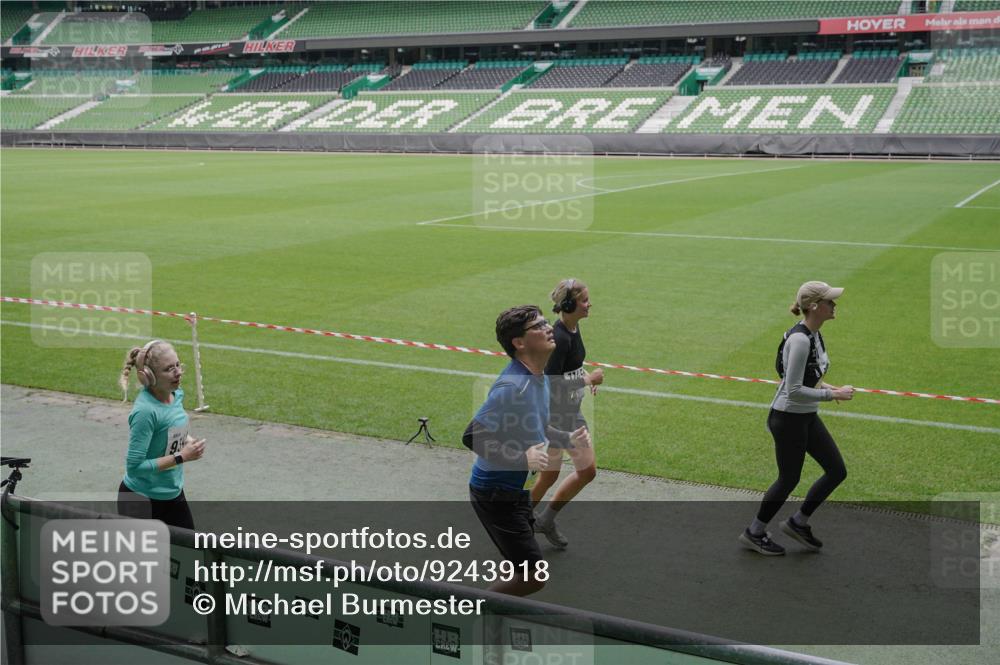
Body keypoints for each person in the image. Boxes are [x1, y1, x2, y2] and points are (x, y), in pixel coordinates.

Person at [464, 305, 590, 596]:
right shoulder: (513, 385)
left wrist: (566, 438)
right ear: (519, 343)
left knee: (521, 566)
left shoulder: (538, 377)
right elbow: (472, 435)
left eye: (546, 322)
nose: (548, 328)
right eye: (538, 326)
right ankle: (473, 612)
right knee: (534, 577)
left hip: (512, 492)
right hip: (494, 496)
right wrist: (522, 458)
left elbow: (538, 421)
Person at [740, 282, 853, 556]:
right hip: (788, 419)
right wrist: (831, 395)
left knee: (837, 470)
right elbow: (792, 389)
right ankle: (754, 533)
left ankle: (798, 522)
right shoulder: (800, 340)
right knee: (789, 479)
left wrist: (829, 388)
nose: (834, 305)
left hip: (805, 416)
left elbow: (809, 378)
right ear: (814, 306)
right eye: (830, 301)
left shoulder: (815, 335)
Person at [531, 279, 604, 549]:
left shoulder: (573, 329)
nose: (589, 303)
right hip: (556, 417)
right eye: (584, 300)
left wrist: (583, 375)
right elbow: (550, 383)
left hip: (571, 412)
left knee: (586, 470)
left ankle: (544, 520)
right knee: (551, 475)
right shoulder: (559, 338)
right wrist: (587, 381)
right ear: (570, 305)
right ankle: (516, 522)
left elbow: (569, 369)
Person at [117, 339, 205, 529]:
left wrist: (187, 440)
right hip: (140, 500)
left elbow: (169, 429)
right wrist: (182, 456)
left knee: (189, 553)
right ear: (148, 376)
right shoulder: (145, 412)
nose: (178, 372)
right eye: (169, 369)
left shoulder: (175, 394)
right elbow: (135, 467)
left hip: (172, 493)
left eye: (177, 365)